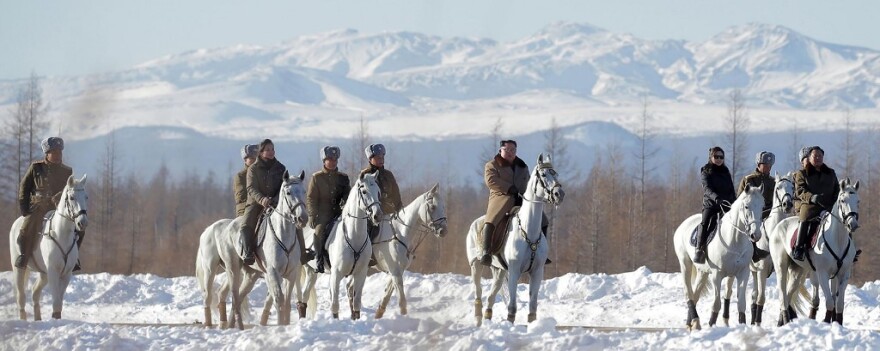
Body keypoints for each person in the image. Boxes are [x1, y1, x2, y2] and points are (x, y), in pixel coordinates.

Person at [480, 139, 550, 266]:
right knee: (492, 219)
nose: (510, 152)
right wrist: (509, 188)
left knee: (544, 220)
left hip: (521, 198)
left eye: (513, 150)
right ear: (500, 150)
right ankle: (486, 252)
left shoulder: (522, 166)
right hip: (501, 197)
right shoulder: (492, 165)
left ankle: (542, 252)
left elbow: (529, 183)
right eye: (507, 150)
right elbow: (491, 181)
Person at [16, 137, 79, 270]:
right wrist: (24, 207)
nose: (58, 156)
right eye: (54, 153)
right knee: (26, 228)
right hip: (38, 207)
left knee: (79, 228)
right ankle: (23, 255)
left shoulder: (68, 171)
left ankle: (74, 258)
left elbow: (70, 190)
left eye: (60, 153)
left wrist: (59, 196)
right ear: (47, 153)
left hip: (59, 209)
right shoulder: (36, 167)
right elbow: (24, 187)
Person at [240, 139, 287, 265]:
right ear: (261, 153)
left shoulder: (281, 168)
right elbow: (251, 188)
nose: (271, 152)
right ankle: (248, 252)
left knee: (294, 221)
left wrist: (276, 199)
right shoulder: (253, 169)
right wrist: (262, 199)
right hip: (256, 203)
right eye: (267, 150)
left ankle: (302, 254)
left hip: (276, 203)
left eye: (272, 149)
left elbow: (284, 186)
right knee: (245, 224)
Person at [306, 146, 351, 273]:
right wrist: (312, 215)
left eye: (335, 159)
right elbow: (311, 198)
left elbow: (348, 194)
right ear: (324, 160)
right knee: (319, 231)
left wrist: (345, 201)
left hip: (340, 212)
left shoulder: (343, 177)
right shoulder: (317, 178)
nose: (333, 161)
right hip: (323, 214)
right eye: (330, 159)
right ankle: (319, 260)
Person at [792, 146, 840, 261]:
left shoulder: (831, 173)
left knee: (844, 220)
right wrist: (812, 197)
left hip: (829, 206)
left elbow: (837, 189)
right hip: (811, 206)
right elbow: (800, 191)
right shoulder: (802, 174)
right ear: (809, 157)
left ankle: (849, 250)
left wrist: (834, 201)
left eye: (820, 156)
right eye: (815, 156)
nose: (818, 158)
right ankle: (799, 248)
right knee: (805, 217)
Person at [694, 146, 736, 264]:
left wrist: (735, 202)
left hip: (726, 204)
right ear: (711, 157)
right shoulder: (706, 170)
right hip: (711, 204)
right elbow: (707, 188)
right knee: (705, 222)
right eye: (716, 156)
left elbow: (731, 189)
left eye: (721, 157)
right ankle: (700, 249)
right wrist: (716, 198)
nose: (719, 159)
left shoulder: (726, 171)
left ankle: (751, 250)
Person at [360, 143, 403, 243]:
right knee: (372, 231)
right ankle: (369, 253)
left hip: (390, 212)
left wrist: (398, 209)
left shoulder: (388, 174)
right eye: (378, 157)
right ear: (370, 159)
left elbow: (396, 194)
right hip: (372, 214)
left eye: (382, 157)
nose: (381, 159)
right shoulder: (365, 175)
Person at [737, 151, 776, 262]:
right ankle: (754, 251)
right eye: (765, 165)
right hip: (752, 213)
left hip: (769, 212)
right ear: (758, 165)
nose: (768, 167)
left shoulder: (773, 182)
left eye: (770, 165)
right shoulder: (748, 179)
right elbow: (740, 198)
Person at [234, 144, 259, 217]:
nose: (256, 160)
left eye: (257, 158)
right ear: (245, 160)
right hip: (245, 210)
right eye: (252, 158)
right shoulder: (240, 176)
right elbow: (242, 197)